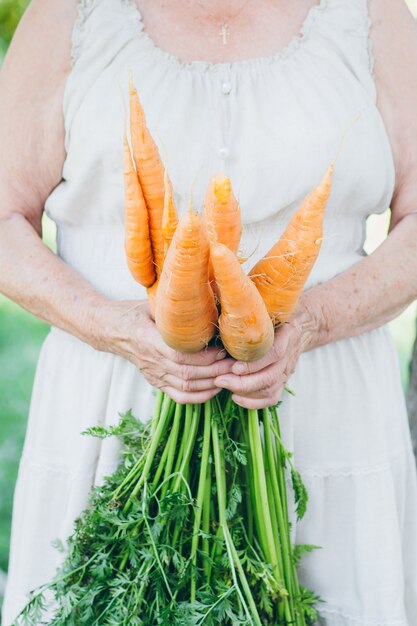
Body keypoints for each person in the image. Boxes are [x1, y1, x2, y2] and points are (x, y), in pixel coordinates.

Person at [1, 0, 417, 623]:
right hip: (119, 406)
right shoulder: (68, 14)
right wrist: (115, 327)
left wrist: (311, 320)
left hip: (328, 411)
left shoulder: (373, 15)